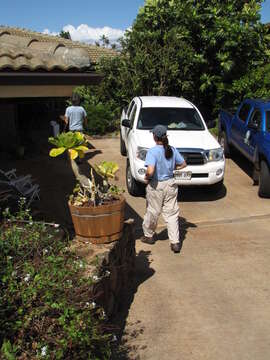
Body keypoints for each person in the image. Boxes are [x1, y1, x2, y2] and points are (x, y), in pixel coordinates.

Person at [141, 124, 187, 253]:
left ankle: (149, 236)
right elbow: (183, 164)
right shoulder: (172, 149)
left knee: (153, 211)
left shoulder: (152, 151)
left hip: (157, 185)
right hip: (170, 184)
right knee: (171, 213)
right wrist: (173, 169)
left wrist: (146, 177)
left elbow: (150, 170)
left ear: (155, 137)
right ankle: (175, 242)